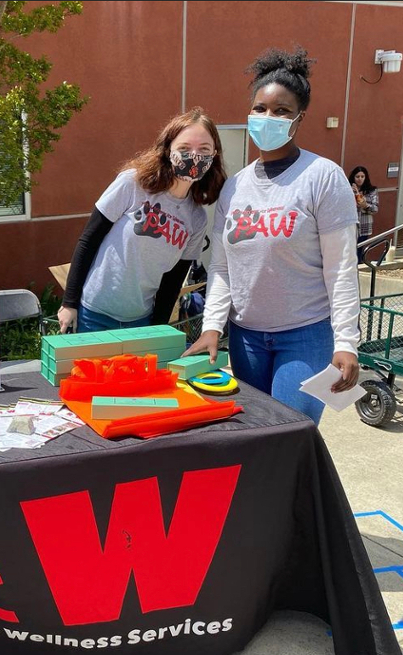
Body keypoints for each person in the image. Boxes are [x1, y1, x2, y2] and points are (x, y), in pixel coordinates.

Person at [184, 47, 360, 425]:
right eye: (261, 109)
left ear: (299, 119)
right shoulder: (234, 187)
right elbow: (221, 266)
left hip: (305, 337)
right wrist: (213, 325)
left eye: (281, 111)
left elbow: (342, 268)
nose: (269, 118)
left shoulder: (323, 177)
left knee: (291, 433)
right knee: (256, 433)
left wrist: (346, 341)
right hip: (246, 339)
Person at [56, 108, 226, 334]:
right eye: (184, 148)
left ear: (213, 155)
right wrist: (69, 303)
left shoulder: (196, 218)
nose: (194, 156)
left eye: (203, 149)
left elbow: (173, 282)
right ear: (168, 150)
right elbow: (89, 240)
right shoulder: (132, 184)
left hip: (140, 321)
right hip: (93, 315)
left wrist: (156, 330)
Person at [348, 166, 379, 264]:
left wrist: (365, 206)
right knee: (349, 249)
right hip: (350, 224)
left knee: (359, 249)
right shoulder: (347, 189)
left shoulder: (371, 191)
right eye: (357, 176)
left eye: (362, 176)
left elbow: (375, 209)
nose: (360, 179)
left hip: (364, 225)